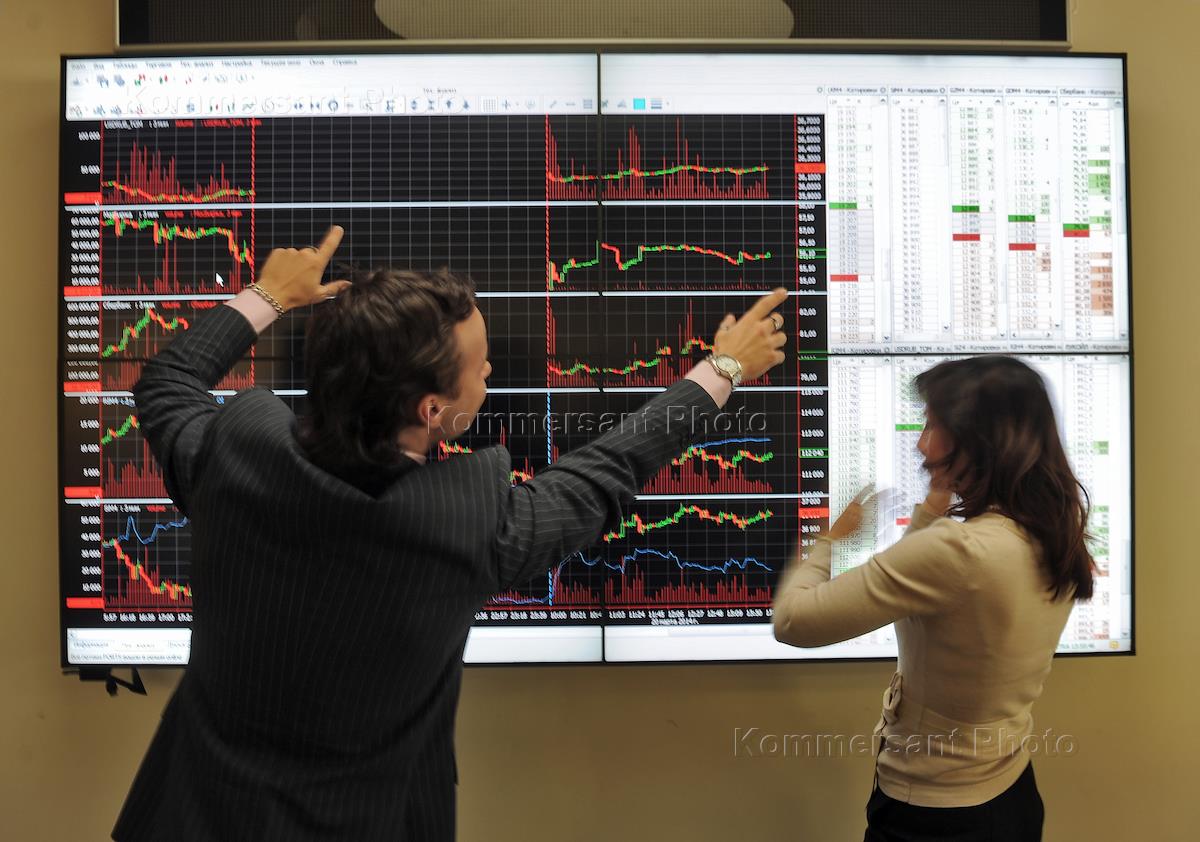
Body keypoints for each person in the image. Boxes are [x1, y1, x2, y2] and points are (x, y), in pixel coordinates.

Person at [112, 226, 789, 841]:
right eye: (480, 366)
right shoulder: (467, 526)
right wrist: (723, 368)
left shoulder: (234, 450)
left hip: (187, 819)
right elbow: (603, 472)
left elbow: (168, 381)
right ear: (432, 410)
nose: (490, 373)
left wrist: (268, 295)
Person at [772, 356, 1096, 842]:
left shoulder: (959, 551)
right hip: (1010, 792)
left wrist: (828, 541)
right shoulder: (1049, 532)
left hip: (933, 816)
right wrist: (934, 504)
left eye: (932, 426)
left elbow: (794, 622)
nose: (922, 444)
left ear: (977, 438)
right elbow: (920, 583)